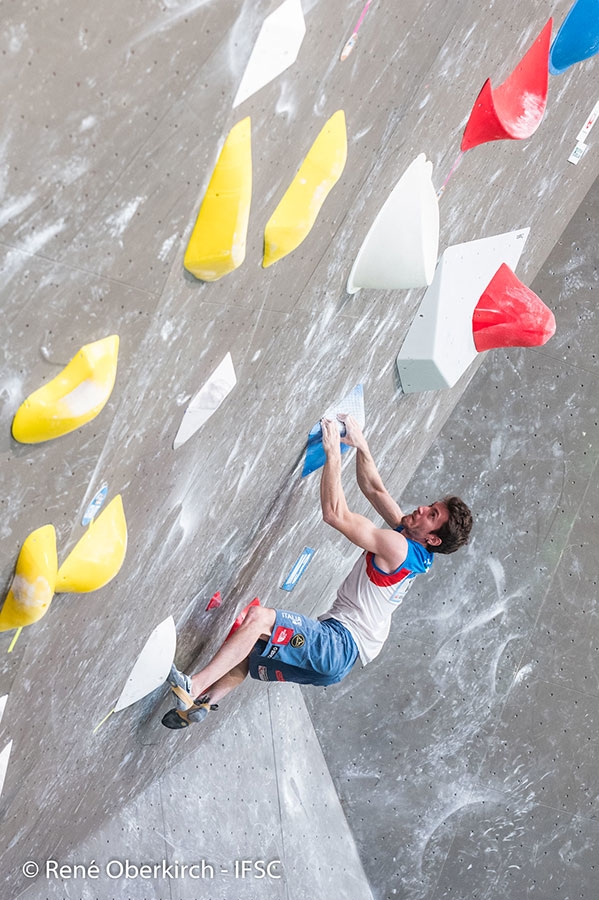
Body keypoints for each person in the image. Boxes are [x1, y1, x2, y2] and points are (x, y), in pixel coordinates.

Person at [162, 414, 472, 728]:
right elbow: (377, 491)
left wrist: (333, 453)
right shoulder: (418, 549)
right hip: (338, 663)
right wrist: (361, 446)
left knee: (259, 620)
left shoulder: (399, 547)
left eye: (431, 514)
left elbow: (335, 514)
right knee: (251, 646)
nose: (421, 508)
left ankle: (195, 686)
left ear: (432, 537)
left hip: (336, 645)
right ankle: (204, 704)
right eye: (430, 504)